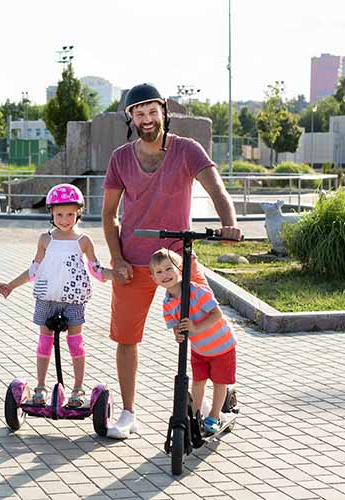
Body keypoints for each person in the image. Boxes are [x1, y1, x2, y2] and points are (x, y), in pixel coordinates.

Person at [101, 83, 242, 439]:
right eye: (139, 113)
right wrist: (116, 258)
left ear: (164, 111)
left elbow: (216, 189)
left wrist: (230, 223)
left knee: (210, 324)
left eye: (152, 111)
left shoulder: (187, 150)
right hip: (133, 261)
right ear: (130, 117)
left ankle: (222, 393)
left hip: (179, 259)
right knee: (127, 338)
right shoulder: (120, 158)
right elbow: (108, 215)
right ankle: (128, 412)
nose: (147, 119)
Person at [0, 184, 113, 408]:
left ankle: (78, 389)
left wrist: (112, 275)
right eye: (59, 214)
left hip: (73, 300)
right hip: (46, 298)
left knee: (76, 344)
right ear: (51, 213)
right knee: (44, 343)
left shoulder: (83, 240)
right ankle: (40, 386)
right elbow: (34, 270)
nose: (64, 219)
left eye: (70, 214)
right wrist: (11, 285)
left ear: (78, 213)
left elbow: (94, 268)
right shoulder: (45, 239)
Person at [149, 248, 237, 434]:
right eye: (159, 272)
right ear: (154, 279)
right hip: (200, 349)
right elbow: (174, 323)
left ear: (180, 269)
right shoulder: (167, 303)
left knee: (219, 382)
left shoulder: (197, 291)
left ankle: (213, 417)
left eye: (168, 269)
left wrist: (195, 328)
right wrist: (177, 334)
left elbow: (216, 314)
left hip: (221, 346)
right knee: (198, 382)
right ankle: (196, 416)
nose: (165, 275)